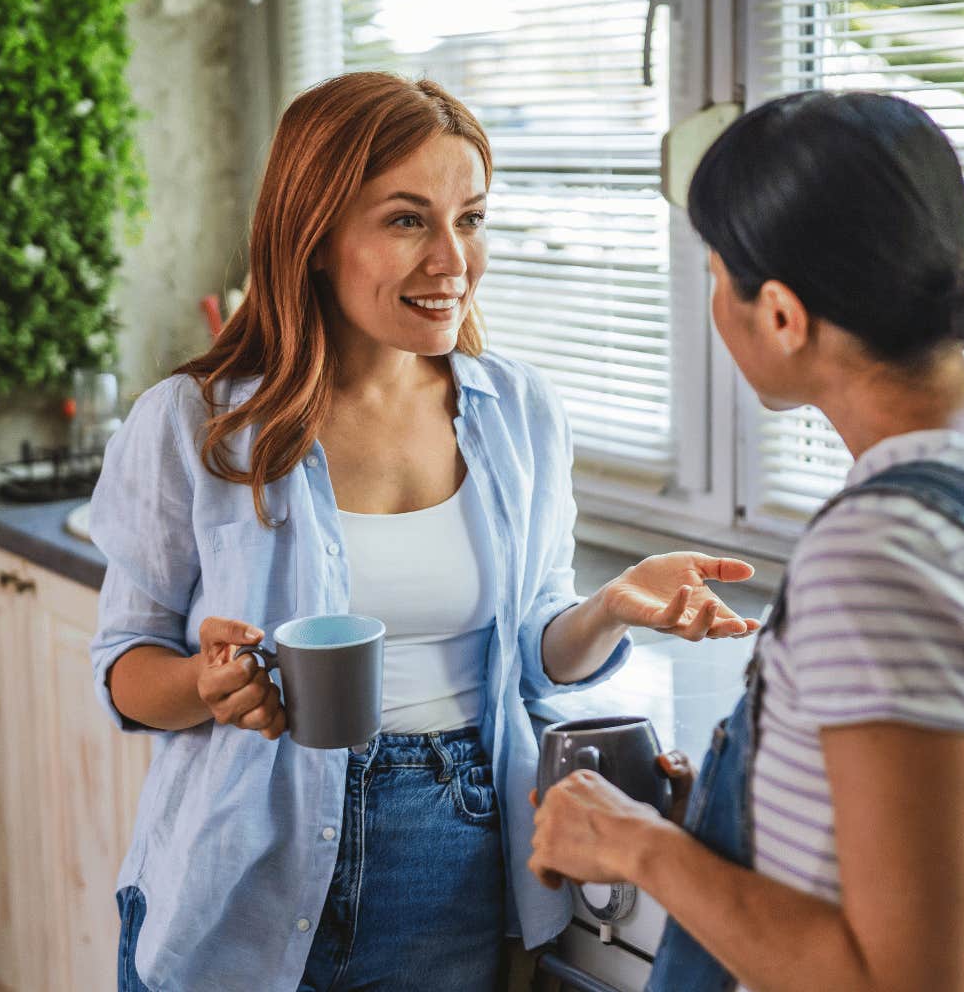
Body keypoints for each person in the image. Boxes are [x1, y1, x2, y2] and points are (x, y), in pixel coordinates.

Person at [87, 71, 759, 992]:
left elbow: (530, 655)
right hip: (235, 875)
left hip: (451, 872)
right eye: (407, 220)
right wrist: (208, 686)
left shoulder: (518, 412)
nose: (453, 260)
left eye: (471, 219)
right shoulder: (192, 426)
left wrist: (608, 609)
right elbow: (127, 670)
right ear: (315, 235)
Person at [528, 91, 964, 992]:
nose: (712, 303)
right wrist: (721, 815)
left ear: (782, 316)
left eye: (715, 275)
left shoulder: (883, 556)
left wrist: (640, 849)